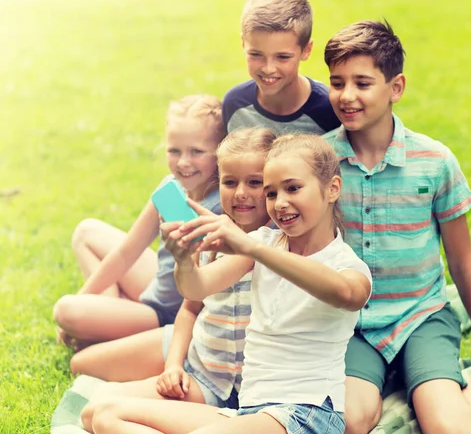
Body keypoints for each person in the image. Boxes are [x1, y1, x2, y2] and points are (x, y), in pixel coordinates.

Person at [85, 134, 372, 434]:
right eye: (272, 194)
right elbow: (196, 289)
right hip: (251, 412)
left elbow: (346, 293)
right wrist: (185, 259)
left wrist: (254, 249)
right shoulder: (262, 243)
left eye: (293, 188)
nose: (281, 203)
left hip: (306, 414)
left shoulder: (347, 265)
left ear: (332, 189)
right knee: (105, 414)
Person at [322, 20, 471, 434]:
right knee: (349, 422)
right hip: (354, 326)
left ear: (396, 88)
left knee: (450, 430)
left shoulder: (435, 161)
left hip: (422, 316)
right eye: (337, 82)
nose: (347, 96)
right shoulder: (321, 161)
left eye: (363, 83)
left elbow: (463, 265)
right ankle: (392, 378)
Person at [79, 127, 276, 432]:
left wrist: (185, 260)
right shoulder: (214, 234)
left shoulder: (278, 243)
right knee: (92, 409)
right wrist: (173, 367)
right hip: (208, 377)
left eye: (255, 183)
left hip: (254, 395)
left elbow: (200, 282)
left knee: (106, 416)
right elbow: (190, 308)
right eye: (230, 182)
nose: (240, 193)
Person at [53, 95, 225, 374]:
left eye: (196, 151)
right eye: (174, 151)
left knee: (65, 311)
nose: (184, 162)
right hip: (158, 286)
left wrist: (82, 309)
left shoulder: (222, 203)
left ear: (219, 151)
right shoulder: (171, 188)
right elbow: (124, 254)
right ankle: (107, 316)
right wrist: (87, 297)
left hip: (169, 314)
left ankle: (108, 324)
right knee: (86, 233)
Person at [222, 0, 340, 136]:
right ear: (243, 44)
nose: (268, 68)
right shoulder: (235, 104)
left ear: (306, 50)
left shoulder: (329, 109)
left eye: (283, 57)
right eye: (256, 54)